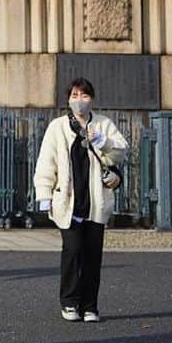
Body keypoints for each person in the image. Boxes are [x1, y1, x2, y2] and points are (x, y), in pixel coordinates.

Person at [34, 78, 127, 324]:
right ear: (68, 99)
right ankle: (69, 301)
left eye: (84, 95)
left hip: (95, 200)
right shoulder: (58, 127)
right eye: (75, 95)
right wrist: (44, 194)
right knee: (73, 251)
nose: (79, 100)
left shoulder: (104, 124)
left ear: (92, 99)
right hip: (69, 201)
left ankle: (90, 306)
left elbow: (121, 151)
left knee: (93, 256)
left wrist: (102, 142)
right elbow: (47, 161)